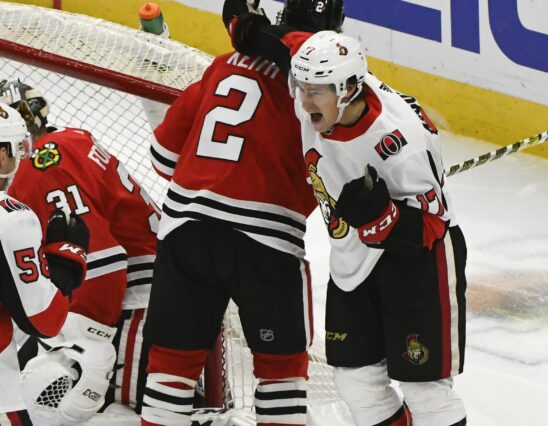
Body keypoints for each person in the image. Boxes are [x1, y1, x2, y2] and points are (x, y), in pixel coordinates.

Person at [227, 24, 469, 426]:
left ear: (348, 88)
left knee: (426, 392)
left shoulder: (400, 143)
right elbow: (282, 49)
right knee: (357, 382)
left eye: (314, 91)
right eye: (301, 87)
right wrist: (244, 27)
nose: (302, 101)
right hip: (353, 262)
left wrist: (383, 219)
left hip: (417, 265)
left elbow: (433, 226)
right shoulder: (316, 86)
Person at [140, 1, 344, 425]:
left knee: (170, 371)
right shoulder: (326, 75)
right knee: (282, 374)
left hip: (185, 230)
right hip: (264, 240)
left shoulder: (224, 63)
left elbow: (163, 158)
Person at [1, 80, 160, 421]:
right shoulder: (69, 141)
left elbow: (103, 256)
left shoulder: (44, 163)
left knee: (128, 410)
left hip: (142, 296)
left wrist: (89, 339)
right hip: (143, 285)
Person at [0, 102, 88, 424]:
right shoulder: (11, 218)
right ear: (1, 155)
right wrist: (67, 259)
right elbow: (44, 321)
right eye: (16, 149)